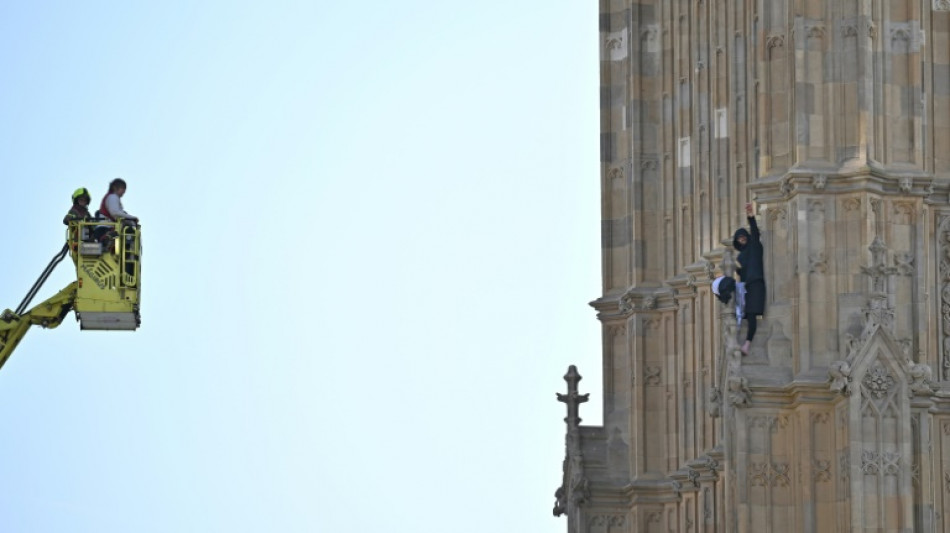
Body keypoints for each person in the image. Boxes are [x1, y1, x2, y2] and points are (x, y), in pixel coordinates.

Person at [732, 202, 766, 356]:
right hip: (747, 287)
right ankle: (743, 344)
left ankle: (747, 344)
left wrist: (750, 215)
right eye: (739, 238)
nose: (741, 239)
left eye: (743, 236)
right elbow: (740, 275)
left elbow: (754, 231)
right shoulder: (740, 256)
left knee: (752, 313)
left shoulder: (754, 245)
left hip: (757, 283)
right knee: (746, 315)